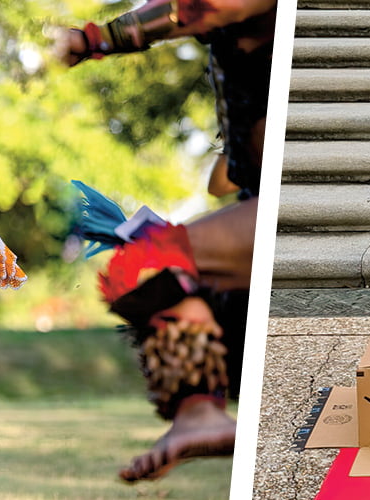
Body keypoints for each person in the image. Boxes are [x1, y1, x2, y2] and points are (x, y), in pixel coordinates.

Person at [55, 0, 275, 483]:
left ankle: (200, 415)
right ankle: (200, 410)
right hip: (260, 200)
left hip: (294, 201)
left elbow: (206, 7)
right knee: (145, 268)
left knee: (143, 263)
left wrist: (92, 40)